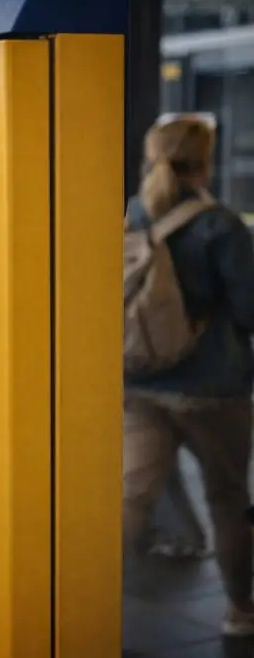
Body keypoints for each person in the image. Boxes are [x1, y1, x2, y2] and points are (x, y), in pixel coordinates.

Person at [123, 114, 254, 636]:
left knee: (130, 497)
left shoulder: (134, 214)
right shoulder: (220, 224)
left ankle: (73, 596)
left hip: (139, 383)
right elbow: (249, 310)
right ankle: (241, 610)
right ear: (205, 160)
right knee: (227, 497)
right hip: (213, 389)